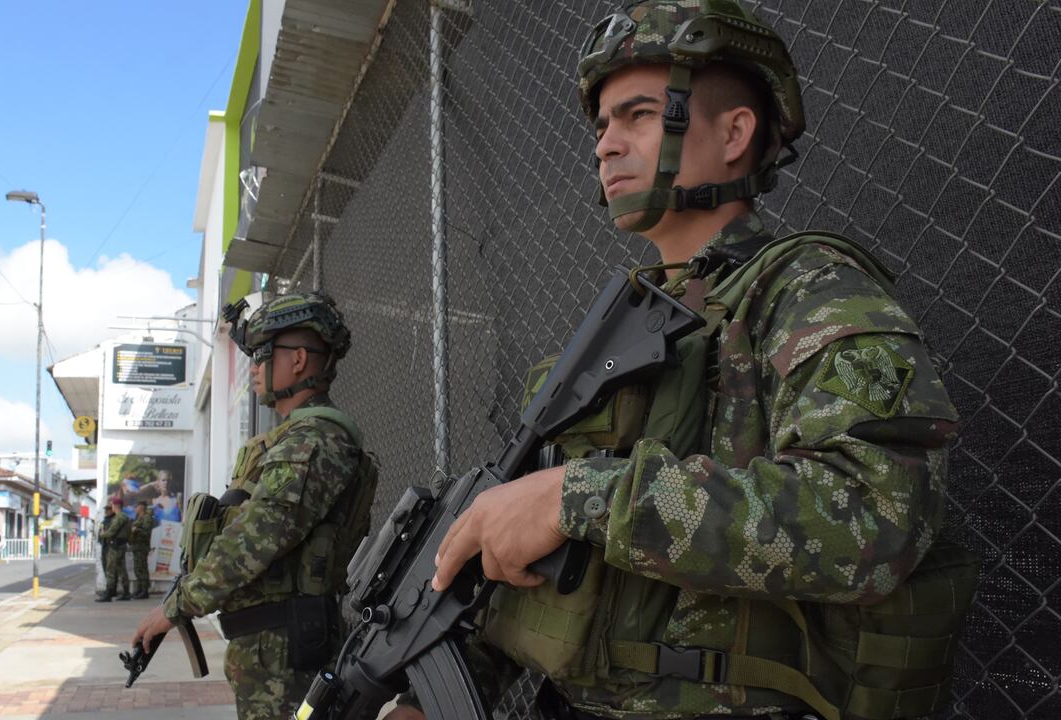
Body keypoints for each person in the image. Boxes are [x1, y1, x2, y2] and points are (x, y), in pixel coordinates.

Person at [391, 2, 961, 719]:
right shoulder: (609, 333)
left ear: (734, 133)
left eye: (637, 116)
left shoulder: (809, 289)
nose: (605, 145)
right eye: (601, 125)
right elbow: (540, 560)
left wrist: (581, 496)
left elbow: (877, 519)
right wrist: (438, 688)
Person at [132, 292, 378, 720]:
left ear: (298, 360)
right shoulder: (295, 437)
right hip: (271, 646)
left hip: (283, 649)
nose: (254, 368)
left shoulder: (314, 439)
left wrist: (175, 608)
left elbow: (256, 537)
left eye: (262, 354)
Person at [96, 496, 131, 602]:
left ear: (115, 505)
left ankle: (109, 594)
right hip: (119, 546)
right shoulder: (121, 516)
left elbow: (111, 531)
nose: (111, 507)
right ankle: (125, 593)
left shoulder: (120, 517)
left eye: (112, 505)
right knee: (121, 570)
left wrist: (103, 534)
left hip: (116, 547)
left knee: (110, 570)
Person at [129, 501, 155, 599]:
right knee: (137, 569)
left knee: (142, 569)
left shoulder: (146, 518)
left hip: (142, 547)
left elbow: (146, 533)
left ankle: (144, 591)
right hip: (136, 546)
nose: (135, 508)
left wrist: (136, 530)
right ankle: (139, 589)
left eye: (137, 506)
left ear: (141, 507)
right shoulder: (137, 517)